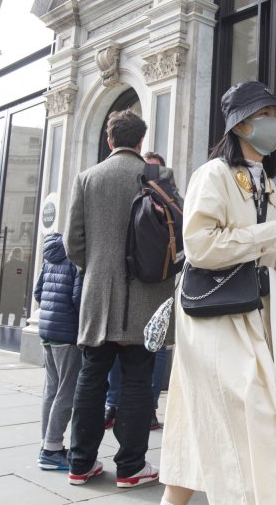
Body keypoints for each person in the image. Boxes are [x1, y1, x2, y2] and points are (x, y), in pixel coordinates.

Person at [159, 81, 276, 505]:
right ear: (242, 125)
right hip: (215, 316)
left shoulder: (265, 180)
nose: (274, 125)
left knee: (204, 425)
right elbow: (200, 246)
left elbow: (263, 256)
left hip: (247, 310)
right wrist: (269, 233)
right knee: (255, 419)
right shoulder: (212, 174)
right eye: (266, 116)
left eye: (275, 116)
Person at [64, 109, 175, 489]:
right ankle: (130, 467)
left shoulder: (86, 179)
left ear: (109, 140)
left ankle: (80, 463)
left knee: (91, 377)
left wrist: (96, 267)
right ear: (141, 142)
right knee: (138, 380)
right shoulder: (157, 177)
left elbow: (72, 244)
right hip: (145, 295)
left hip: (98, 295)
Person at [103, 149, 173, 433]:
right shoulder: (131, 188)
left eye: (155, 168)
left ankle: (149, 408)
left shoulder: (167, 192)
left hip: (157, 282)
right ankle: (113, 404)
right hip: (126, 282)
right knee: (120, 349)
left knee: (156, 350)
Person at [33, 232, 83, 471]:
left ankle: (46, 443)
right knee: (66, 391)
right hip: (67, 334)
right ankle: (52, 450)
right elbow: (77, 298)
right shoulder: (74, 257)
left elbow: (38, 293)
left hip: (46, 331)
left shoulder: (48, 257)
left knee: (51, 389)